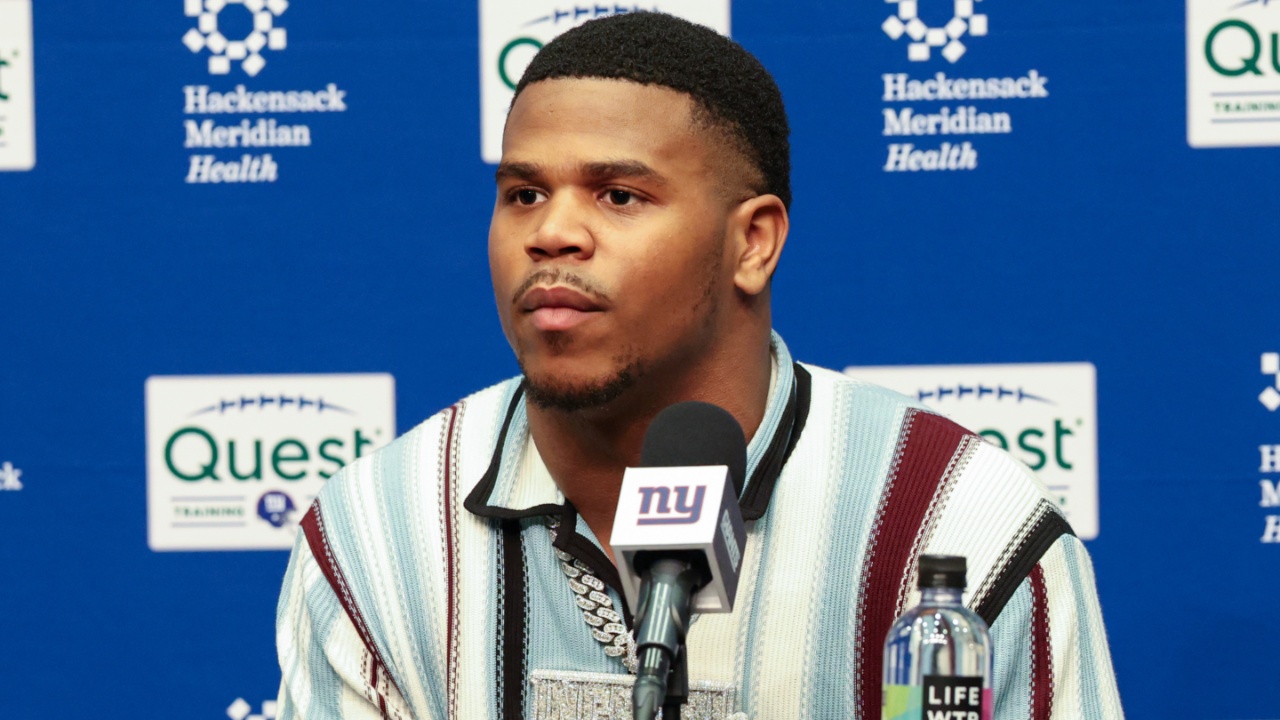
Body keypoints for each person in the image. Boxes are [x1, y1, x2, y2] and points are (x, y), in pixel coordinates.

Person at [275, 12, 1123, 720]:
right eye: (524, 193)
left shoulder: (959, 532)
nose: (552, 233)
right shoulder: (375, 537)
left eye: (619, 195)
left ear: (752, 242)